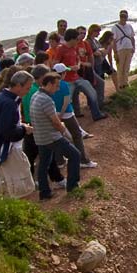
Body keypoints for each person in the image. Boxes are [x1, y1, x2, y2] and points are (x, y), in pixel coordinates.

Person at [30, 72, 81, 200]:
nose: (57, 89)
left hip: (40, 137)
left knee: (44, 164)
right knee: (75, 155)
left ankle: (44, 192)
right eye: (56, 86)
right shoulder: (46, 100)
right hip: (51, 137)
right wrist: (65, 132)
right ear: (49, 84)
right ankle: (73, 187)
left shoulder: (35, 95)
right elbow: (55, 122)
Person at [22, 65, 66, 188]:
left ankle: (42, 181)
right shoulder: (35, 91)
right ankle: (54, 181)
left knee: (36, 156)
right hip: (36, 126)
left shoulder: (33, 90)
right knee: (44, 156)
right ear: (41, 77)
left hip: (31, 125)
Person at [52, 29, 107, 121]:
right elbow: (55, 65)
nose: (78, 41)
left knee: (92, 92)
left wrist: (78, 65)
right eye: (76, 39)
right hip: (67, 80)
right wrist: (69, 68)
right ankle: (64, 119)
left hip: (77, 77)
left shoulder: (74, 48)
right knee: (67, 101)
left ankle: (96, 114)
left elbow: (77, 59)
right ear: (71, 39)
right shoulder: (60, 49)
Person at [53, 63, 98, 168]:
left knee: (58, 136)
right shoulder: (64, 84)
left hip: (55, 114)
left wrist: (58, 114)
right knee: (77, 135)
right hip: (67, 114)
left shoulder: (50, 84)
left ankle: (59, 161)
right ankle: (83, 160)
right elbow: (66, 100)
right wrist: (62, 113)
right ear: (63, 73)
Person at [0, 70, 33, 167]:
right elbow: (8, 132)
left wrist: (21, 126)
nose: (28, 91)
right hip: (8, 152)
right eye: (27, 88)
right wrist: (24, 129)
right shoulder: (9, 103)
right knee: (21, 181)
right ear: (18, 86)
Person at [113, 9, 135, 89]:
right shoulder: (115, 27)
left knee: (127, 66)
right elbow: (113, 41)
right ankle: (120, 84)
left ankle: (125, 82)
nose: (123, 18)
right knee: (120, 67)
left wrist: (133, 47)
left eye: (125, 16)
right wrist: (115, 52)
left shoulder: (129, 26)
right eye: (122, 16)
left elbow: (132, 37)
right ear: (120, 17)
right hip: (120, 49)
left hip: (129, 48)